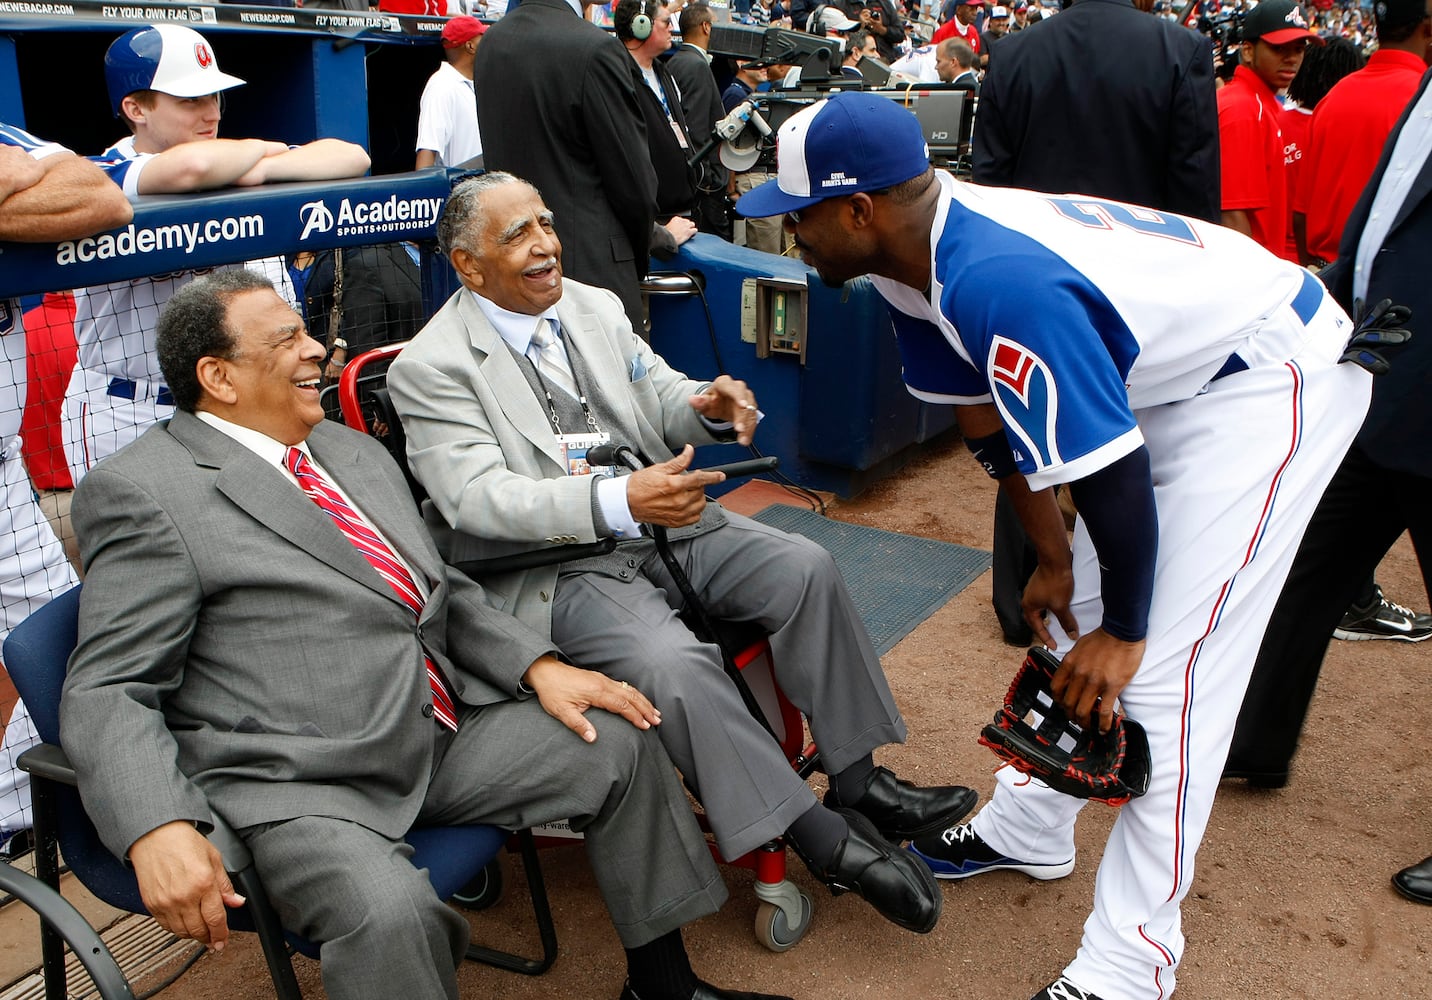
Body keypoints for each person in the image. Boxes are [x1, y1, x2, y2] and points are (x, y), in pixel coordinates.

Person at [736, 91, 1372, 1000]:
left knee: (1164, 674)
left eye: (797, 214)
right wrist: (1054, 557)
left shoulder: (999, 278)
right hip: (1169, 366)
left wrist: (1126, 624)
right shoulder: (903, 255)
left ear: (858, 208)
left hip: (1267, 379)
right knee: (1082, 620)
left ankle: (1133, 963)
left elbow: (1109, 477)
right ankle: (1033, 829)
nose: (789, 231)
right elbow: (981, 413)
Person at [59, 268, 790, 1000]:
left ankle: (664, 989)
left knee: (620, 741)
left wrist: (536, 665)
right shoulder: (144, 492)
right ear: (217, 376)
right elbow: (109, 685)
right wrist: (156, 825)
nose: (317, 350)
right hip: (300, 782)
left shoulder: (350, 452)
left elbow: (438, 588)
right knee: (390, 914)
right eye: (288, 340)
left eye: (307, 332)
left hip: (431, 737)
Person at [388, 172, 977, 937]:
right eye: (518, 235)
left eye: (545, 221)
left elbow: (655, 391)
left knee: (806, 568)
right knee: (670, 664)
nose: (545, 244)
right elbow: (477, 499)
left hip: (660, 519)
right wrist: (617, 502)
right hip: (558, 563)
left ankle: (860, 783)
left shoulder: (592, 306)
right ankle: (820, 839)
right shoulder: (432, 368)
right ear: (468, 266)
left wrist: (704, 404)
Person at [972, 0, 1219, 646]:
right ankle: (1127, 601)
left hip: (1031, 277)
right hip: (1137, 282)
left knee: (1027, 422)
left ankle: (1015, 602)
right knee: (1131, 438)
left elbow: (988, 185)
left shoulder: (1014, 51)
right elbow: (1193, 196)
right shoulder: (1178, 48)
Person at [1225, 68, 1432, 797]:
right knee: (1307, 569)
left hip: (1415, 389)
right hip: (1380, 382)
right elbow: (1383, 234)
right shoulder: (1421, 89)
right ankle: (1254, 742)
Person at [62, 23, 370, 486]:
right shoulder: (100, 171)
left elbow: (353, 158)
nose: (210, 113)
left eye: (215, 97)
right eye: (190, 101)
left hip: (229, 404)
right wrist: (266, 158)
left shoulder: (234, 163)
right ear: (136, 108)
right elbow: (194, 168)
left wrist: (248, 168)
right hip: (127, 408)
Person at [0, 123, 132, 857]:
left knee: (55, 621)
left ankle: (16, 813)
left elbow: (101, 199)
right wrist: (17, 179)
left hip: (4, 472)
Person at [475, 0, 661, 332]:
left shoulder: (492, 41)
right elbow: (635, 184)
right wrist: (642, 249)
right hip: (591, 276)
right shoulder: (595, 48)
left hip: (513, 271)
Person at [1216, 0, 1321, 260]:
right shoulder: (1244, 109)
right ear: (1248, 51)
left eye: (1298, 49)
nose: (1292, 58)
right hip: (1249, 271)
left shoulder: (1257, 103)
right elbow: (1232, 215)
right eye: (1279, 48)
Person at [615, 0, 703, 259]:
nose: (671, 29)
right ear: (640, 26)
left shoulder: (663, 72)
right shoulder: (618, 76)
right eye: (665, 22)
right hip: (652, 222)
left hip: (682, 211)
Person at [664, 1, 734, 239]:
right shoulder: (695, 65)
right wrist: (709, 177)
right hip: (704, 186)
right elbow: (696, 127)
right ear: (706, 27)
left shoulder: (675, 62)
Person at [414, 15, 485, 170]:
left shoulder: (477, 84)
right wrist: (423, 192)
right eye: (483, 37)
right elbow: (427, 152)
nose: (488, 43)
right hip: (460, 190)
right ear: (470, 46)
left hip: (483, 187)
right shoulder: (442, 85)